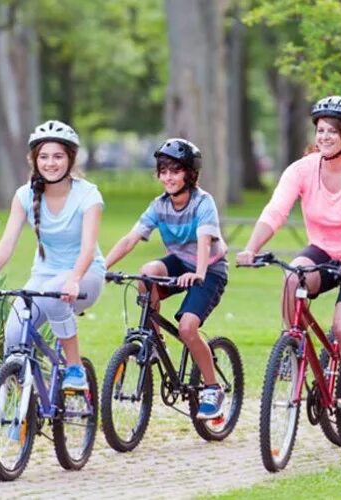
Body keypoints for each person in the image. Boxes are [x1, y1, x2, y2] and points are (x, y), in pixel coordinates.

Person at [236, 96, 341, 433]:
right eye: (321, 130)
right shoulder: (303, 168)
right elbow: (276, 211)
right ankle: (293, 346)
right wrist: (250, 248)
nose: (324, 137)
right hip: (323, 248)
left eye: (333, 131)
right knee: (294, 278)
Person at [0, 120, 105, 392]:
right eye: (43, 157)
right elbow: (7, 242)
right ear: (34, 160)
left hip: (86, 275)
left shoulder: (89, 195)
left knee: (54, 297)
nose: (50, 163)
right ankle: (26, 407)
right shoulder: (24, 195)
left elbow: (88, 247)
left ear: (70, 159)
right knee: (14, 336)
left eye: (57, 156)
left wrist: (74, 279)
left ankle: (75, 367)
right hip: (42, 278)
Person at [104, 138, 229, 420]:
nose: (168, 177)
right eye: (163, 171)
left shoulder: (203, 202)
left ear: (190, 174)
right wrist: (101, 268)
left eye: (175, 171)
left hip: (209, 269)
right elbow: (129, 240)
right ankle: (155, 342)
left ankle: (212, 388)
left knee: (187, 329)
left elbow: (204, 241)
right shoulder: (159, 206)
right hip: (180, 263)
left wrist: (197, 273)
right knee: (146, 273)